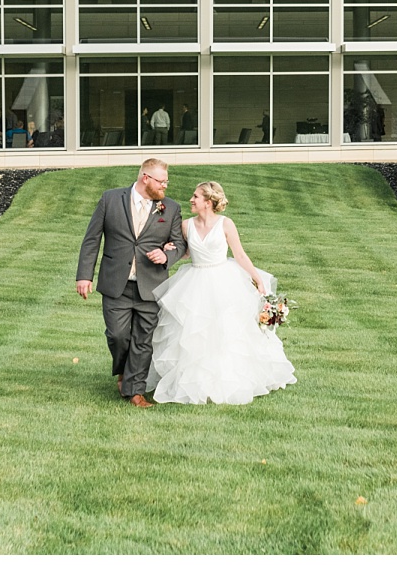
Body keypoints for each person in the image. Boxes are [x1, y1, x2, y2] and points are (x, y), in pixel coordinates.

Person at [147, 181, 296, 405]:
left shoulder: (226, 224)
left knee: (226, 332)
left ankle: (228, 381)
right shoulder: (186, 225)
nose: (191, 200)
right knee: (194, 332)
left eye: (195, 196)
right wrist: (171, 248)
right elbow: (186, 252)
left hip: (223, 281)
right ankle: (195, 383)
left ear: (208, 202)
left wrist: (257, 279)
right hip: (194, 282)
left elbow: (240, 255)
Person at [76, 159, 188, 408]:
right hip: (117, 283)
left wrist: (166, 256)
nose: (165, 186)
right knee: (118, 336)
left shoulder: (170, 208)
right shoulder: (110, 199)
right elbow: (92, 239)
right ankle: (123, 371)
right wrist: (85, 275)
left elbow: (179, 244)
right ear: (146, 178)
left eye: (166, 181)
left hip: (152, 285)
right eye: (162, 181)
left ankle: (135, 391)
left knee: (143, 340)